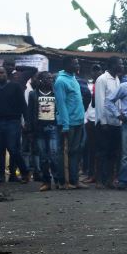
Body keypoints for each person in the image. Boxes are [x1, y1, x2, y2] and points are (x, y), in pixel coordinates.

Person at [53, 57, 86, 189]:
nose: (78, 65)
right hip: (68, 123)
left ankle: (74, 179)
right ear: (67, 65)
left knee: (75, 152)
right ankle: (62, 181)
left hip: (78, 121)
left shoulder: (73, 78)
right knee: (64, 152)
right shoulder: (60, 81)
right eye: (75, 63)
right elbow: (61, 105)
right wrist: (65, 125)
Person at [25, 72, 61, 191]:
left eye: (52, 78)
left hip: (53, 128)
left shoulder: (56, 93)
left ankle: (57, 180)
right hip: (39, 129)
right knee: (43, 157)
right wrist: (29, 130)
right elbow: (29, 113)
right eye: (48, 78)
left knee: (54, 155)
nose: (51, 80)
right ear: (41, 80)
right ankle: (46, 182)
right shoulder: (33, 94)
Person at [93, 57, 123, 189]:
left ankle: (110, 179)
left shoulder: (117, 79)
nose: (122, 66)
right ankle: (99, 180)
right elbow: (100, 101)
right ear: (112, 65)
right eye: (119, 64)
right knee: (101, 152)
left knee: (113, 152)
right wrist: (103, 121)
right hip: (105, 123)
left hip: (116, 122)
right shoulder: (102, 79)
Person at [0, 65, 28, 185]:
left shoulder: (15, 86)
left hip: (13, 122)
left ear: (6, 74)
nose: (0, 75)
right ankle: (0, 176)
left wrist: (27, 122)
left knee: (13, 149)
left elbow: (23, 105)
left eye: (1, 72)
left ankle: (24, 172)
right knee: (0, 150)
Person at [106, 73, 127, 190]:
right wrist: (118, 115)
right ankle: (123, 180)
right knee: (126, 155)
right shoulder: (124, 86)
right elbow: (108, 101)